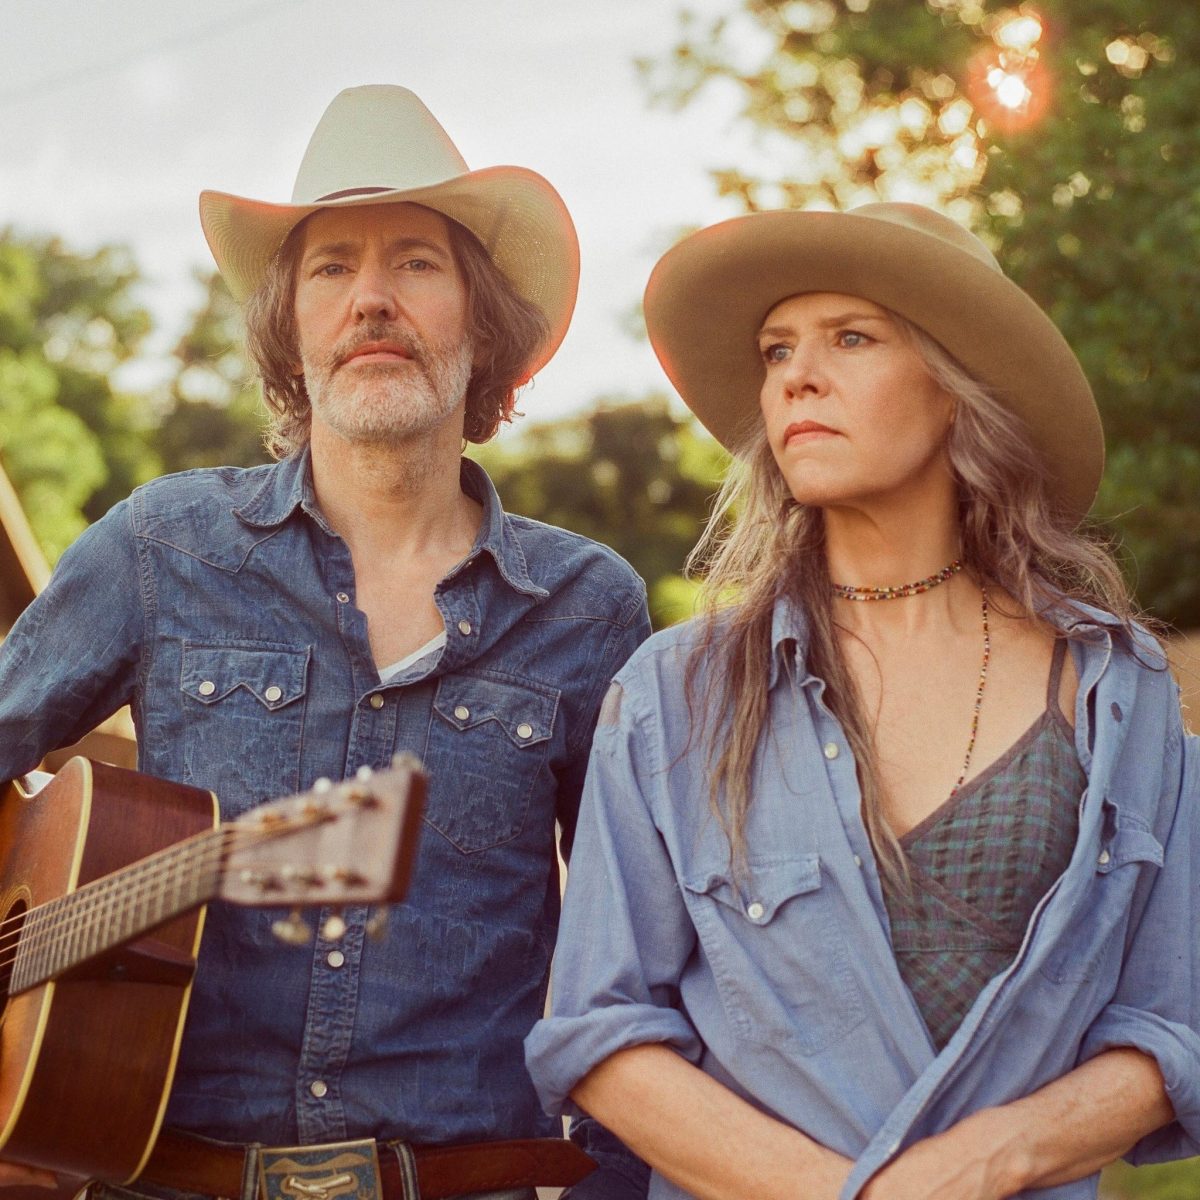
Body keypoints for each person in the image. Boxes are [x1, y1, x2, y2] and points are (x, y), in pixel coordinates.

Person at [0, 86, 651, 1199]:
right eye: (333, 267)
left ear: (482, 322)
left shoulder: (589, 607)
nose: (373, 301)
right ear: (289, 325)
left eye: (417, 263)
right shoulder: (162, 546)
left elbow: (638, 952)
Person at [525, 203, 1200, 1199]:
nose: (797, 374)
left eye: (852, 338)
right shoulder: (676, 695)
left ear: (957, 390)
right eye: (776, 349)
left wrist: (990, 1162)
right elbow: (601, 1035)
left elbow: (1171, 1026)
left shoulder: (1116, 689)